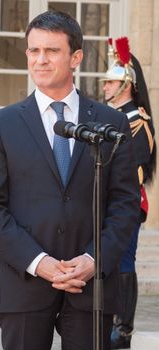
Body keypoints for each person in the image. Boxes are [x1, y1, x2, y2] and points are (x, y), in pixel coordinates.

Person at [0, 10, 140, 350]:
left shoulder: (111, 123)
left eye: (52, 51)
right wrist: (39, 263)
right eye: (34, 51)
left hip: (90, 289)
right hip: (23, 283)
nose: (41, 60)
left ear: (76, 57)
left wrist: (94, 260)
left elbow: (125, 204)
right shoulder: (0, 124)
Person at [101, 37, 156, 349]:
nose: (106, 87)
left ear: (126, 85)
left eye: (112, 82)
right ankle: (110, 320)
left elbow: (133, 169)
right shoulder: (113, 117)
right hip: (108, 202)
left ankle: (123, 330)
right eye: (107, 82)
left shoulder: (137, 122)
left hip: (126, 203)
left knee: (123, 261)